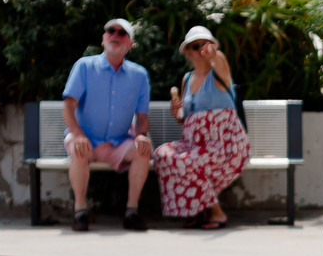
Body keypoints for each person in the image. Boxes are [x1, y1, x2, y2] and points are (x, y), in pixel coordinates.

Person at [153, 26, 249, 230]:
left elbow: (220, 62)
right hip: (194, 144)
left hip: (225, 144)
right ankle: (195, 209)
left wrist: (216, 54)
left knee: (189, 162)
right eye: (197, 46)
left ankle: (215, 211)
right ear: (188, 51)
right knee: (163, 154)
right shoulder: (187, 79)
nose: (202, 50)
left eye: (207, 45)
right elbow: (185, 119)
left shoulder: (219, 73)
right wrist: (177, 112)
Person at [62, 18, 152, 231]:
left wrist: (141, 135)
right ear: (103, 39)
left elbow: (141, 118)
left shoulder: (139, 75)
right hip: (86, 139)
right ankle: (80, 211)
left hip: (119, 142)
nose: (115, 35)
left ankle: (132, 212)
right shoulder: (84, 66)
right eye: (111, 31)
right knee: (78, 147)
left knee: (143, 150)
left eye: (122, 33)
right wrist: (77, 134)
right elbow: (68, 106)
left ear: (130, 44)